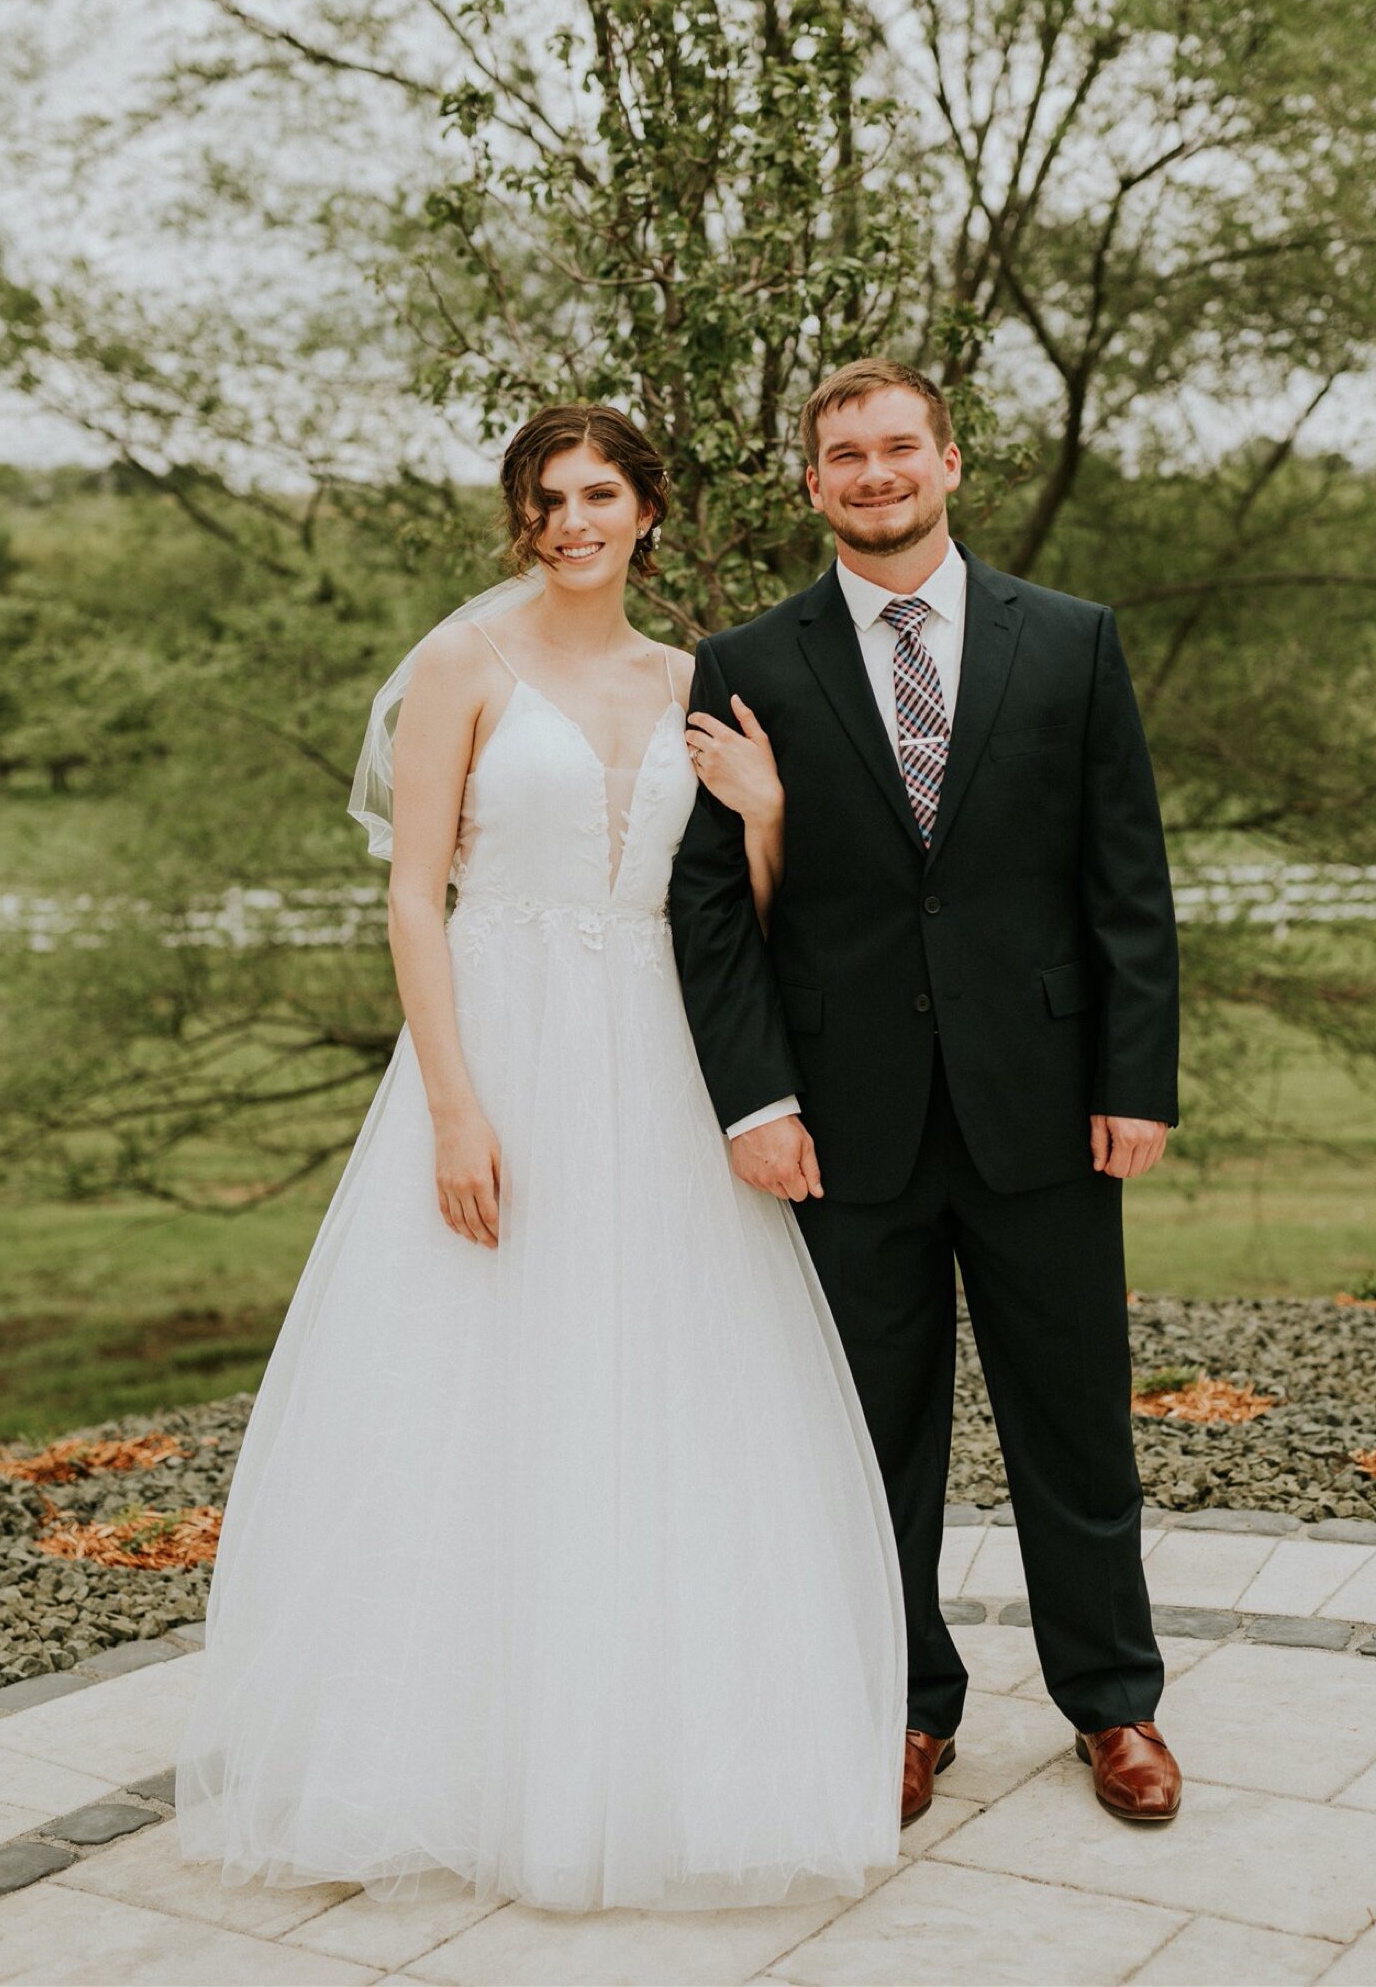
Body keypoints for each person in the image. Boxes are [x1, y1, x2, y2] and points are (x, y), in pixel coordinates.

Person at [173, 403, 904, 1910]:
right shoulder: (466, 668)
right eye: (543, 498)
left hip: (656, 1061)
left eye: (596, 494)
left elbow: (730, 919)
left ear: (648, 509)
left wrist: (766, 818)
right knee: (469, 1386)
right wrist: (454, 1105)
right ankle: (436, 1752)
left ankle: (636, 1749)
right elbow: (411, 901)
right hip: (502, 1043)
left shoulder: (701, 681)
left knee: (658, 1386)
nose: (568, 521)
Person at [671, 357, 1184, 1829]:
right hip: (846, 1127)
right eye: (846, 455)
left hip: (1048, 1106)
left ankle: (1117, 1705)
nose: (875, 473)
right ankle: (902, 1706)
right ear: (812, 483)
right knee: (868, 1435)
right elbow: (712, 904)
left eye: (901, 448)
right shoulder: (744, 662)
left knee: (1074, 1424)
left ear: (952, 464)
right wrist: (755, 1099)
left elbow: (1126, 887)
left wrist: (1133, 1078)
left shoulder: (1073, 642)